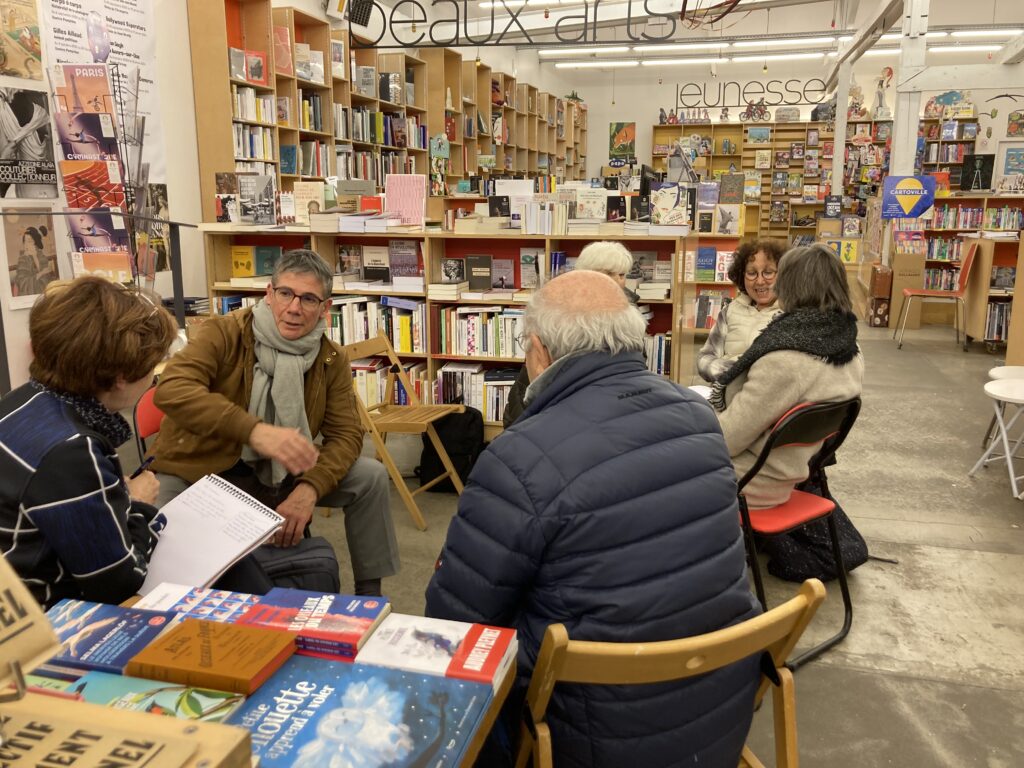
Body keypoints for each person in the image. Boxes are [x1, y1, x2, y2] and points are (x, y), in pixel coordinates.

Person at [425, 270, 762, 768]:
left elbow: (455, 623)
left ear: (538, 351)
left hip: (593, 733)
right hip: (718, 712)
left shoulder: (519, 458)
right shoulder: (699, 420)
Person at [150, 249, 399, 596]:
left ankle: (370, 598)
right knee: (152, 524)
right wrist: (253, 430)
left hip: (283, 474)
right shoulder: (222, 333)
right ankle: (163, 615)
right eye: (285, 294)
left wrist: (310, 488)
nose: (294, 308)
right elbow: (172, 390)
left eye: (308, 299)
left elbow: (346, 435)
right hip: (202, 469)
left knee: (370, 476)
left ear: (325, 308)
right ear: (269, 294)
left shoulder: (330, 358)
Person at [0, 277, 177, 608]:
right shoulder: (72, 450)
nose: (153, 378)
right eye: (150, 367)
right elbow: (118, 583)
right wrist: (138, 504)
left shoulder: (21, 401)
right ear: (120, 376)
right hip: (43, 624)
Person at [712, 244, 864, 509]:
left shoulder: (785, 360)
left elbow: (727, 440)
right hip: (793, 471)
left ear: (790, 285)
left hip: (749, 481)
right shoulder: (848, 347)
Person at [502, 240, 638, 427]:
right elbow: (525, 392)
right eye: (606, 274)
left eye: (621, 275)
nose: (616, 281)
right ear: (583, 275)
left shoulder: (629, 319)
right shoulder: (557, 314)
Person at [697, 239, 785, 383]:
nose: (760, 281)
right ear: (741, 275)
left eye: (768, 272)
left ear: (783, 274)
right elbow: (704, 360)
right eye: (752, 273)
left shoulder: (791, 313)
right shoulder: (730, 310)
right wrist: (738, 371)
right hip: (724, 395)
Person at [14, 225, 54, 296]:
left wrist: (34, 256)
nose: (26, 245)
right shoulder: (22, 259)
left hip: (44, 290)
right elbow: (23, 282)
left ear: (35, 242)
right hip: (29, 293)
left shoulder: (40, 255)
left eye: (29, 241)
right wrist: (41, 273)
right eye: (25, 241)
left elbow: (47, 276)